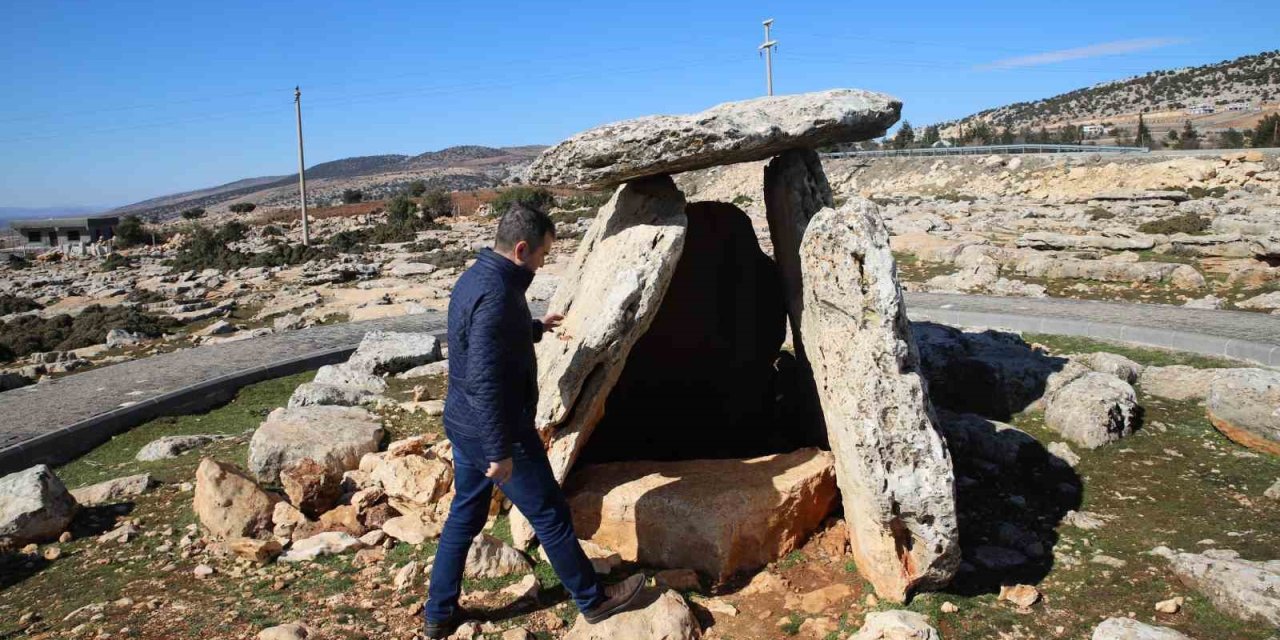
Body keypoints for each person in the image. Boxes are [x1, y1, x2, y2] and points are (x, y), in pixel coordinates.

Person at [423, 203, 645, 638]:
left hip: (464, 424)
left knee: (464, 517)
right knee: (550, 515)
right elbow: (485, 377)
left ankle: (438, 613)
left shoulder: (477, 278)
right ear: (521, 248)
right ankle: (593, 600)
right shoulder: (499, 295)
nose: (543, 265)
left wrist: (536, 327)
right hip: (498, 429)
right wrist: (499, 452)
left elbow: (482, 340)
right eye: (542, 255)